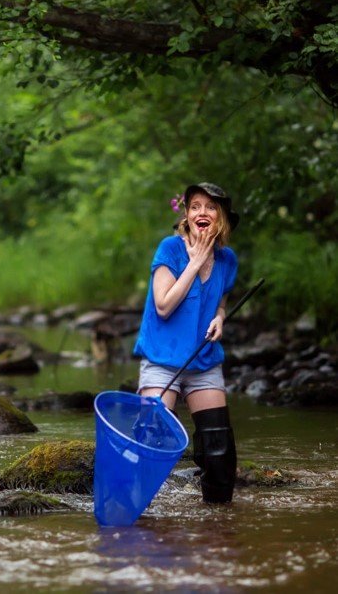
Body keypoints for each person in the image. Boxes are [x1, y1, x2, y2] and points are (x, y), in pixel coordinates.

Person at [133, 182, 241, 503]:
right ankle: (140, 519)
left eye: (210, 207)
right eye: (195, 206)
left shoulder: (227, 259)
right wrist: (194, 263)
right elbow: (163, 305)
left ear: (220, 217)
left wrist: (219, 317)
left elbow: (219, 300)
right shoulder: (170, 249)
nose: (202, 212)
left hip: (203, 358)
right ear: (187, 215)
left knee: (219, 452)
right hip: (162, 359)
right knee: (151, 442)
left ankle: (216, 525)